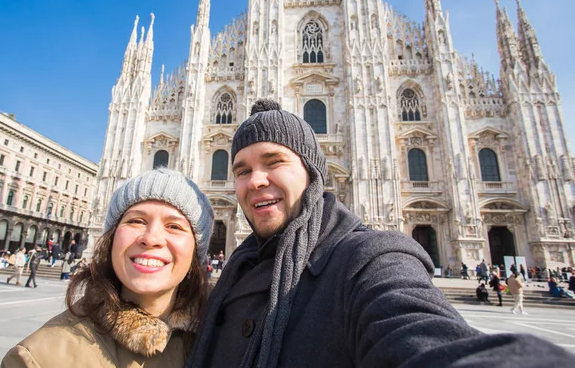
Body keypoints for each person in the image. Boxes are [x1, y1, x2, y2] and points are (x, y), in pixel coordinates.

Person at [188, 99, 575, 367]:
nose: (256, 181)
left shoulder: (368, 261)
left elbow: (414, 328)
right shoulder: (229, 277)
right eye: (240, 169)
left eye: (275, 162)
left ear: (313, 175)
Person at [2, 168, 214, 367]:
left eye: (174, 226)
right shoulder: (38, 358)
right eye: (136, 221)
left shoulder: (224, 339)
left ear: (196, 253)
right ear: (110, 239)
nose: (151, 238)